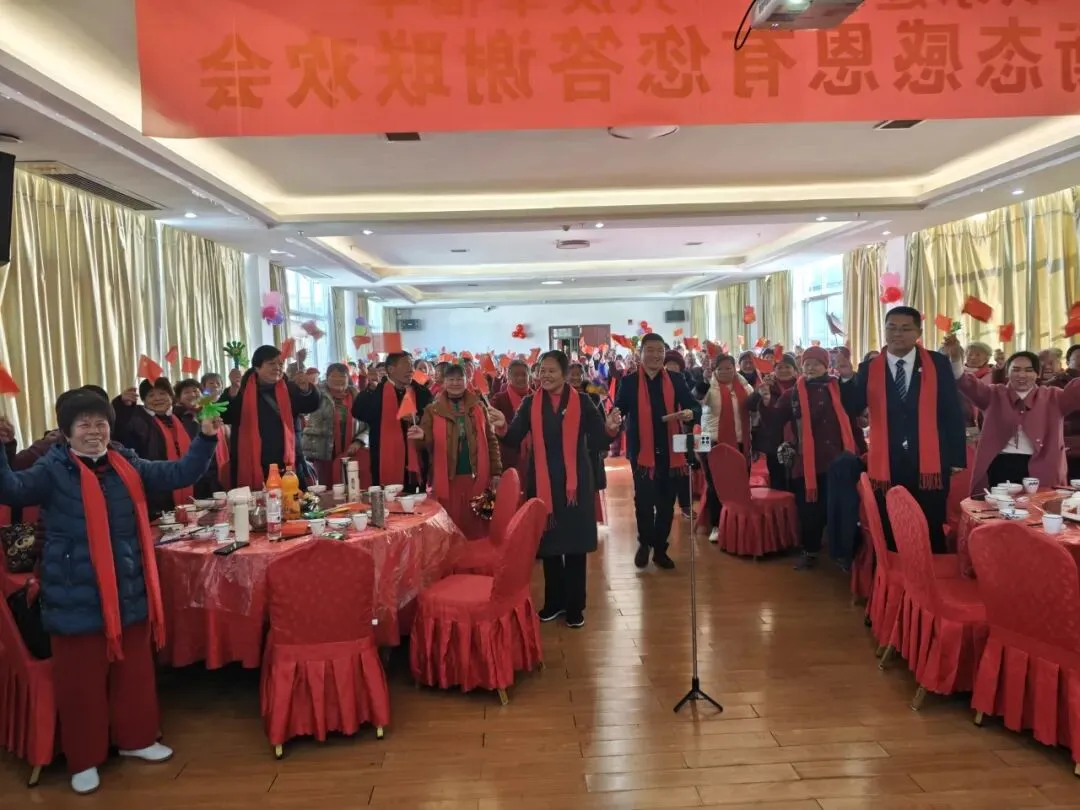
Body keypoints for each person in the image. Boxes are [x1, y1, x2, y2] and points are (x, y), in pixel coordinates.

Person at [0, 390, 220, 795]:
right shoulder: (52, 469)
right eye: (83, 424)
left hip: (127, 587)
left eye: (100, 423)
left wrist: (206, 438)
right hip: (73, 592)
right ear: (66, 431)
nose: (93, 431)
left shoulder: (124, 462)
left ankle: (137, 739)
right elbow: (11, 490)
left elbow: (178, 473)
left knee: (133, 672)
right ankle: (84, 759)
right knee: (80, 682)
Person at [489, 351, 621, 628]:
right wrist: (502, 426)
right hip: (542, 483)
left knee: (574, 547)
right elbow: (513, 437)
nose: (545, 376)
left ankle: (575, 606)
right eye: (542, 371)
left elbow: (598, 440)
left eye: (551, 371)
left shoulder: (583, 402)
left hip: (576, 485)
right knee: (548, 545)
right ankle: (554, 602)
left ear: (564, 374)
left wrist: (610, 429)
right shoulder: (530, 404)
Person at [837, 307, 966, 553]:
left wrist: (956, 456)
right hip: (888, 459)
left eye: (906, 328)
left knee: (931, 521)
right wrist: (846, 379)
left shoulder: (936, 363)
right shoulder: (869, 368)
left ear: (918, 332)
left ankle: (931, 572)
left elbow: (951, 409)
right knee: (890, 521)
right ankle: (895, 572)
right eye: (892, 328)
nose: (898, 333)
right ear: (885, 330)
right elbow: (852, 406)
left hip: (930, 459)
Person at [759, 346, 863, 570]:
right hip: (807, 463)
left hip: (839, 461)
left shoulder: (838, 388)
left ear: (826, 366)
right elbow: (775, 421)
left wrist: (848, 376)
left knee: (841, 507)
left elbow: (856, 410)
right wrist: (766, 402)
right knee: (809, 510)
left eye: (816, 363)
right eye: (807, 364)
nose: (811, 368)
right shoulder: (793, 394)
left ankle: (845, 554)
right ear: (801, 367)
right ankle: (810, 551)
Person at [943, 337, 1080, 493]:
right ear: (1007, 372)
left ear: (1037, 374)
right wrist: (955, 359)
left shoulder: (1054, 397)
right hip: (1000, 466)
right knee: (998, 507)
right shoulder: (994, 394)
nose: (1022, 375)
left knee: (1040, 507)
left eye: (1028, 370)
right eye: (1016, 369)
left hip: (1043, 467)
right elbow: (966, 383)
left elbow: (1076, 392)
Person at [613, 333, 701, 569]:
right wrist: (614, 417)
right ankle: (645, 543)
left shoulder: (676, 379)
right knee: (643, 502)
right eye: (650, 350)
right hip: (642, 452)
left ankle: (660, 549)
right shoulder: (629, 382)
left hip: (672, 450)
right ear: (640, 354)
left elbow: (694, 406)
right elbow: (619, 409)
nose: (655, 355)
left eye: (660, 351)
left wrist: (690, 413)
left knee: (666, 504)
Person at [412, 364, 500, 539]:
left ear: (467, 381)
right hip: (447, 478)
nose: (455, 383)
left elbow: (491, 440)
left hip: (477, 477)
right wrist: (422, 436)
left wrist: (496, 471)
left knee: (477, 523)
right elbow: (424, 441)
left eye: (460, 379)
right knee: (449, 525)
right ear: (443, 382)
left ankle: (476, 554)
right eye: (451, 379)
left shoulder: (479, 407)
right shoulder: (432, 410)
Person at [220, 345, 321, 490]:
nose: (277, 368)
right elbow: (225, 416)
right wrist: (233, 391)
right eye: (271, 363)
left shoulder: (290, 387)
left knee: (293, 500)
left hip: (288, 462)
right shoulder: (241, 390)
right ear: (257, 367)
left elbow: (311, 406)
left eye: (280, 364)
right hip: (253, 462)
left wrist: (306, 390)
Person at [352, 351, 433, 492]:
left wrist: (418, 418)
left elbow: (432, 419)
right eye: (406, 365)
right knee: (387, 498)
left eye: (411, 365)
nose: (411, 370)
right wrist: (369, 390)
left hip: (415, 459)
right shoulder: (377, 391)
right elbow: (358, 412)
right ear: (390, 369)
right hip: (384, 457)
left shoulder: (421, 392)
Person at [695, 354, 754, 541]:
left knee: (739, 484)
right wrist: (704, 381)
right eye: (720, 368)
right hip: (711, 441)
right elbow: (696, 398)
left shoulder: (745, 387)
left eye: (729, 368)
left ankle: (738, 523)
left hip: (741, 441)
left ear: (735, 368)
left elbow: (754, 410)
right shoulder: (709, 387)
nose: (725, 371)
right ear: (715, 370)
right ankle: (716, 525)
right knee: (715, 485)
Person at [301, 362, 363, 486]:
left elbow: (367, 425)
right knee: (327, 487)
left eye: (342, 376)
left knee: (353, 485)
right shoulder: (317, 393)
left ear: (348, 378)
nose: (338, 379)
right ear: (326, 377)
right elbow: (303, 406)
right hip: (323, 452)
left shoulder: (356, 396)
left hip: (351, 451)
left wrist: (359, 441)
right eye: (334, 376)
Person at [746, 353, 798, 492]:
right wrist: (759, 391)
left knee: (797, 480)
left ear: (795, 370)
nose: (784, 370)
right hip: (774, 442)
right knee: (777, 481)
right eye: (780, 367)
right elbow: (749, 405)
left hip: (797, 442)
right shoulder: (768, 386)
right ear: (774, 370)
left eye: (787, 367)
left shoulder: (801, 387)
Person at [491, 359, 533, 483]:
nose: (520, 378)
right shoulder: (499, 400)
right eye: (516, 375)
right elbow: (492, 433)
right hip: (507, 458)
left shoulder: (537, 398)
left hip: (534, 459)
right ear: (509, 377)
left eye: (524, 374)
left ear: (529, 376)